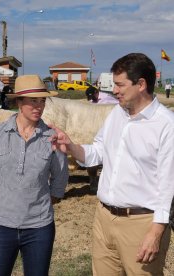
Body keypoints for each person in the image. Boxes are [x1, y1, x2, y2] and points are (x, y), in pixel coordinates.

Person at [50, 53, 174, 275]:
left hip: (141, 224)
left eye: (120, 85)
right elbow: (97, 152)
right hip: (104, 219)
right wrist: (70, 146)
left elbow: (168, 186)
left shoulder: (167, 126)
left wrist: (155, 233)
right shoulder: (117, 113)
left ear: (141, 84)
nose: (114, 90)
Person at [0, 74, 69, 276]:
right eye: (33, 101)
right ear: (19, 101)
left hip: (39, 228)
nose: (39, 106)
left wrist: (35, 204)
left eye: (42, 100)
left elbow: (59, 182)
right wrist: (3, 202)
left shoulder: (52, 137)